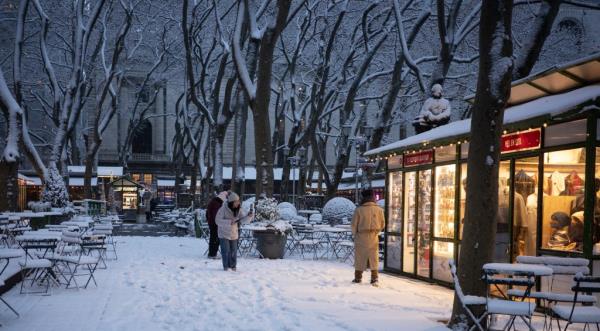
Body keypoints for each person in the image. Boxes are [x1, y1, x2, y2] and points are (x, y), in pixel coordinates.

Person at [351, 189, 385, 286]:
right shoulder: (379, 209)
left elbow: (354, 224)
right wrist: (376, 231)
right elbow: (383, 224)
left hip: (361, 236)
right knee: (374, 257)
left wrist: (355, 234)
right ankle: (374, 278)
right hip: (373, 236)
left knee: (360, 257)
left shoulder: (359, 209)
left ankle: (358, 277)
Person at [215, 192, 253, 271]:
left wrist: (249, 217)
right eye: (236, 201)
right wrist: (229, 222)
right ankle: (226, 267)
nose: (238, 203)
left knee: (233, 251)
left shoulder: (239, 209)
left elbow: (243, 220)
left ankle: (233, 266)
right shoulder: (223, 209)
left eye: (238, 201)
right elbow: (217, 221)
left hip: (233, 233)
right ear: (232, 202)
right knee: (226, 251)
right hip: (223, 233)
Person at [206, 191, 228, 259]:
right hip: (215, 224)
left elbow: (208, 213)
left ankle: (212, 253)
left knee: (214, 238)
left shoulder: (214, 201)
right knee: (215, 239)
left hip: (212, 223)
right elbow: (217, 215)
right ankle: (212, 254)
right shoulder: (217, 203)